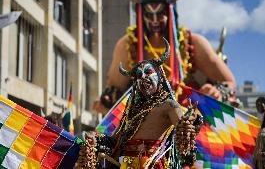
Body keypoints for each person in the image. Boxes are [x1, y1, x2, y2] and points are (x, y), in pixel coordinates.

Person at [94, 0, 236, 114]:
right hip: (144, 121)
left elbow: (228, 82)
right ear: (140, 15)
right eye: (149, 15)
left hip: (187, 119)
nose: (155, 20)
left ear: (171, 13)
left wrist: (217, 91)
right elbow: (114, 90)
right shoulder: (127, 45)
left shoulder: (192, 42)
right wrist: (107, 99)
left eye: (160, 14)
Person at [76, 41, 203, 169]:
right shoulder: (132, 111)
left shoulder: (169, 105)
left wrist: (189, 120)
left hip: (151, 164)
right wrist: (96, 141)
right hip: (126, 164)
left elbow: (183, 130)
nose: (142, 77)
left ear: (159, 76)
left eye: (148, 72)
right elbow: (115, 141)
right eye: (138, 75)